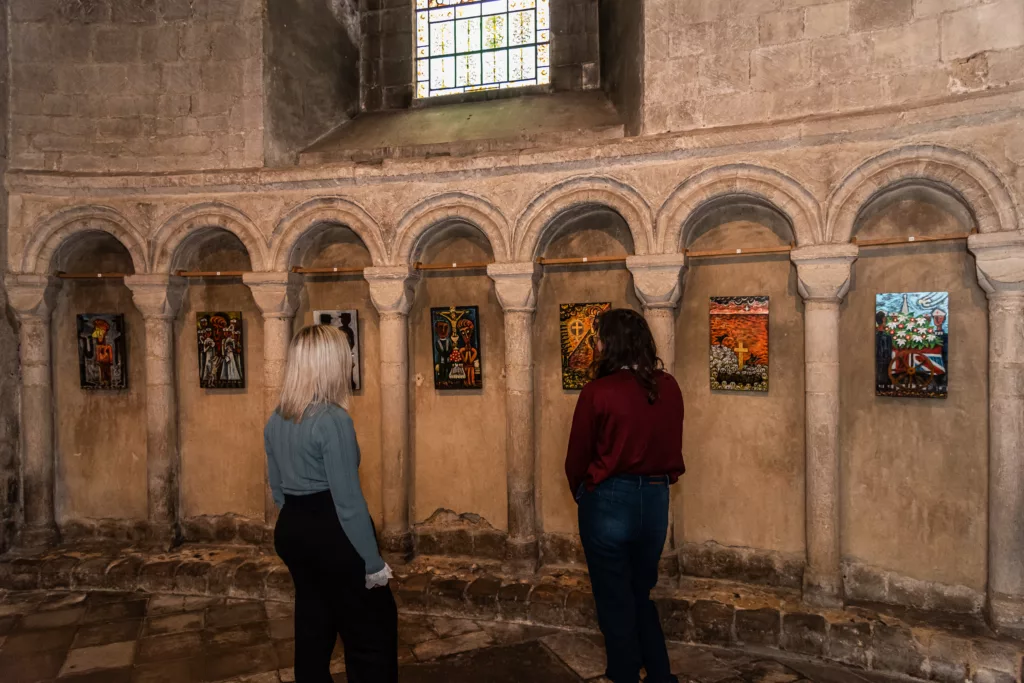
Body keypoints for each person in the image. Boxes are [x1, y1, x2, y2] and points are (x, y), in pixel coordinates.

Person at [264, 325, 397, 683]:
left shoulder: (276, 418)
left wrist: (300, 524)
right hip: (333, 532)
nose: (351, 360)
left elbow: (277, 490)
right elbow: (349, 502)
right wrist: (373, 565)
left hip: (293, 528)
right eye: (346, 356)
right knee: (372, 633)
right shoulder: (332, 420)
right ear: (330, 364)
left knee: (313, 624)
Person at [565, 308, 685, 683]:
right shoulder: (669, 386)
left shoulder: (598, 392)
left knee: (615, 598)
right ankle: (661, 674)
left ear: (611, 344)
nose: (596, 344)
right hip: (655, 498)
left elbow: (577, 457)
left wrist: (585, 492)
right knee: (639, 591)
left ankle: (624, 673)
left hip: (610, 501)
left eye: (599, 337)